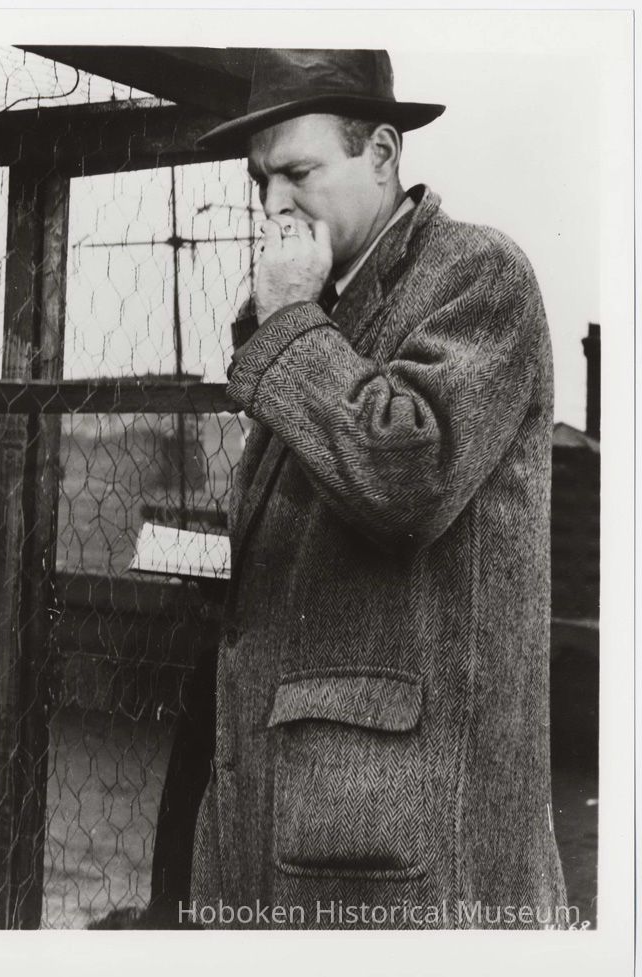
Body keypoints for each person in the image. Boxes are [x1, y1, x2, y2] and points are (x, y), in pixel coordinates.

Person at [185, 49, 567, 929]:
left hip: (411, 856)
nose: (274, 205)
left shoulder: (478, 277)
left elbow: (407, 476)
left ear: (386, 155)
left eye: (299, 173)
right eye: (259, 182)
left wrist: (286, 322)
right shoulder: (323, 312)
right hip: (291, 832)